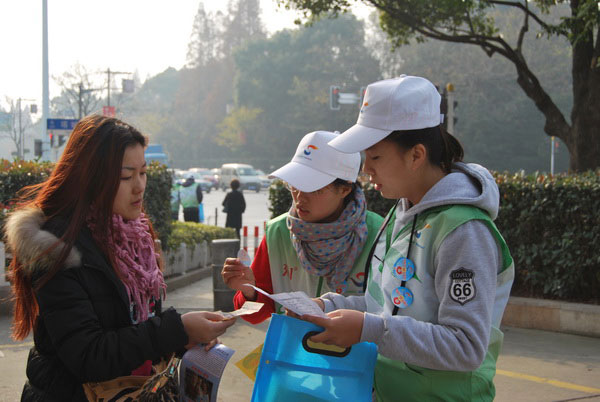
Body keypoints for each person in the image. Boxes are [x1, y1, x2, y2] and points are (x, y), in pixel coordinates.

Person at [297, 76, 515, 401]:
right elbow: (387, 306)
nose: (365, 170)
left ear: (416, 155)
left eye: (375, 157)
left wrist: (366, 329)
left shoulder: (464, 231)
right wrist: (329, 305)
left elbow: (465, 346)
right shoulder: (402, 213)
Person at [4, 115, 235, 401]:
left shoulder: (135, 237)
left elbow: (135, 326)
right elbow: (88, 355)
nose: (139, 186)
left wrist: (185, 338)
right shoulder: (57, 249)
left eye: (143, 172)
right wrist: (176, 329)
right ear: (91, 178)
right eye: (126, 176)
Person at [221, 131, 384, 324]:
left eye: (314, 188)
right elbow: (256, 314)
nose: (300, 197)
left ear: (345, 189)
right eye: (295, 184)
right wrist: (249, 290)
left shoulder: (380, 233)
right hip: (292, 352)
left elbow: (388, 312)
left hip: (354, 354)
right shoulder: (277, 232)